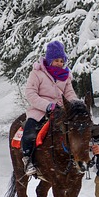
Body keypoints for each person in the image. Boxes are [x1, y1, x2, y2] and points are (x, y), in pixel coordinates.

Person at [20, 40, 79, 178]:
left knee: (76, 131)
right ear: (50, 60)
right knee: (30, 131)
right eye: (57, 60)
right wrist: (46, 105)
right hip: (40, 111)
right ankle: (28, 159)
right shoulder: (37, 73)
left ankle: (77, 158)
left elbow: (69, 93)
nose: (60, 63)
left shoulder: (66, 76)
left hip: (61, 111)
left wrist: (75, 104)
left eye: (62, 61)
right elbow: (30, 93)